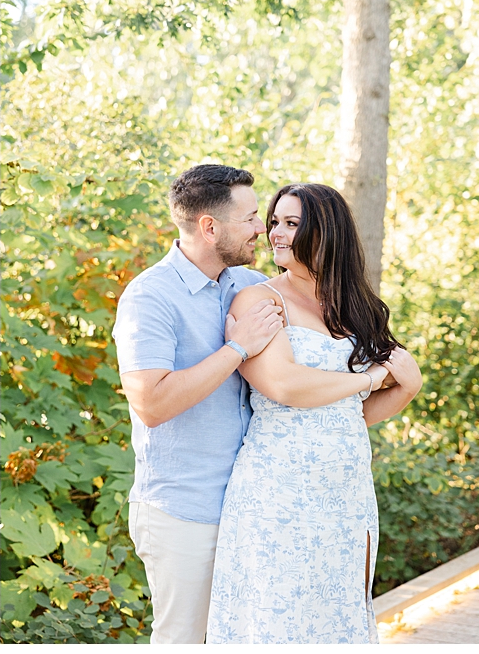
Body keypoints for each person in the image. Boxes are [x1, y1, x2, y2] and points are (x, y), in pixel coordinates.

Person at [112, 164, 420, 643]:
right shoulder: (152, 297)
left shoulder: (243, 282)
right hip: (188, 503)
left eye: (276, 220)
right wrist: (238, 350)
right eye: (256, 218)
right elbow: (151, 405)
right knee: (190, 639)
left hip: (281, 490)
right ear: (210, 227)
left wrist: (403, 386)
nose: (265, 229)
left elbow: (334, 414)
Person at [207, 184, 422, 643]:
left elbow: (355, 415)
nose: (275, 234)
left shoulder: (353, 306)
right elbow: (285, 385)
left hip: (346, 493)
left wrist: (409, 386)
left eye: (291, 224)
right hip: (279, 491)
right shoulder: (260, 301)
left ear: (326, 233)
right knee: (278, 618)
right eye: (273, 223)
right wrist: (369, 378)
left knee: (338, 615)